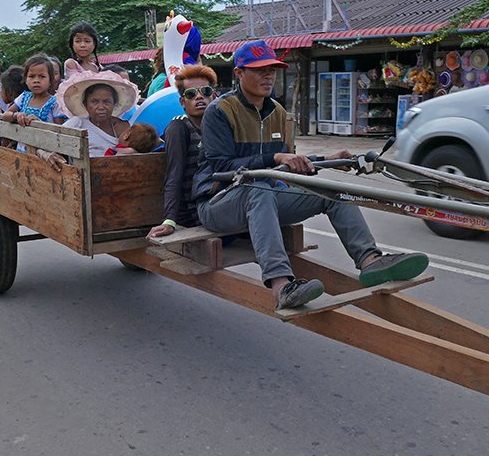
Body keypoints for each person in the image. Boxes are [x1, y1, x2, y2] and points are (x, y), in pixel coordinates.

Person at [191, 40, 429, 310]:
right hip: (218, 202)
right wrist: (275, 158)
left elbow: (288, 164)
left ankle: (370, 261)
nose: (268, 75)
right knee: (259, 189)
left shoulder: (278, 112)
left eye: (272, 69)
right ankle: (281, 285)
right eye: (259, 70)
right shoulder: (220, 112)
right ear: (239, 74)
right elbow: (222, 169)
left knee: (331, 190)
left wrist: (326, 160)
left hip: (265, 199)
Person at [147, 64, 218, 239]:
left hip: (217, 201)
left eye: (206, 91)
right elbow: (174, 173)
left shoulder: (221, 127)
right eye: (191, 94)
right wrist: (169, 220)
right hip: (194, 213)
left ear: (214, 96)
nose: (199, 97)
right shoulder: (178, 127)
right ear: (182, 102)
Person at [39, 70, 139, 171]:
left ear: (114, 103)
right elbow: (46, 144)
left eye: (107, 102)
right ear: (85, 104)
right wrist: (45, 154)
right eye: (94, 102)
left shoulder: (124, 127)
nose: (101, 107)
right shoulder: (78, 123)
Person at [0, 55, 62, 127]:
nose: (36, 80)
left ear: (51, 80)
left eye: (42, 76)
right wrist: (16, 115)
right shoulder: (23, 97)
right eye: (31, 76)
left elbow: (60, 129)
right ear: (26, 80)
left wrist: (40, 123)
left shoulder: (55, 103)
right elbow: (6, 115)